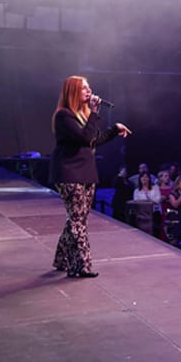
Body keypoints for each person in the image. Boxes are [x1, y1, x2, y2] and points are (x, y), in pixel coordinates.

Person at [49, 76, 130, 278]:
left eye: (88, 87)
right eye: (84, 88)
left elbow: (94, 140)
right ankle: (81, 266)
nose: (89, 91)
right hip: (69, 173)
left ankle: (61, 259)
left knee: (78, 219)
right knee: (77, 220)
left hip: (85, 172)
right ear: (73, 92)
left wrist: (114, 129)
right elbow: (85, 138)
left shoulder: (81, 115)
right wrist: (94, 112)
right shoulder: (64, 116)